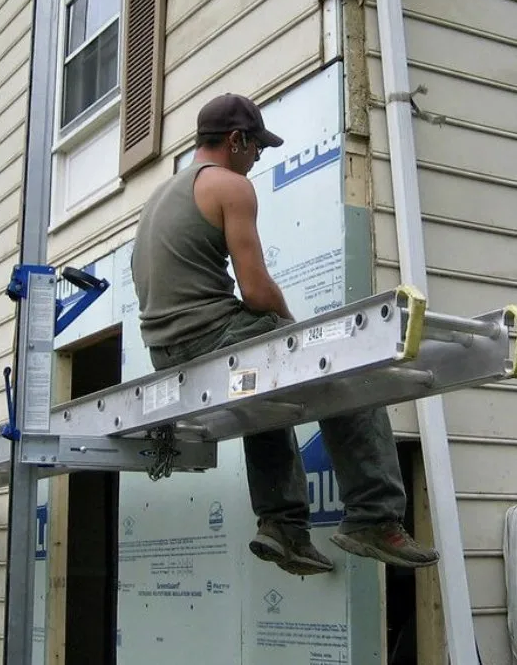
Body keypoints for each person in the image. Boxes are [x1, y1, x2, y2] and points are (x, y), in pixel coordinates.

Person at [130, 93, 439, 576]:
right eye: (256, 149)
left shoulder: (158, 199)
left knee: (265, 391)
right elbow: (255, 291)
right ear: (236, 140)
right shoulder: (230, 187)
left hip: (166, 355)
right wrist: (293, 330)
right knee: (339, 359)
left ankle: (282, 527)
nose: (257, 160)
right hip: (213, 335)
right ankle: (375, 517)